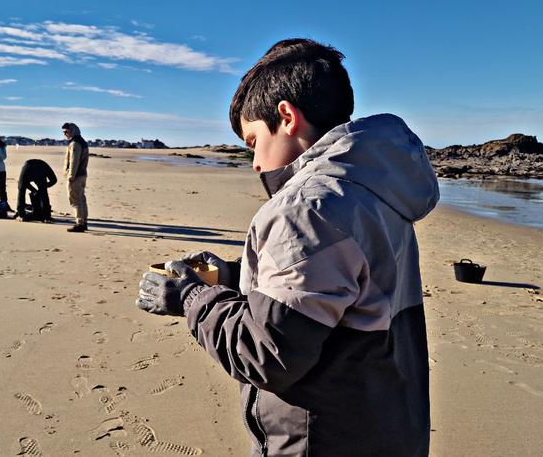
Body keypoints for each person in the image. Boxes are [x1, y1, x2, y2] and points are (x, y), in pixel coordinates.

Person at [137, 38, 439, 456]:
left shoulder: (306, 208)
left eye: (252, 141)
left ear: (286, 117)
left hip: (326, 437)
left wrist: (192, 298)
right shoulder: (374, 189)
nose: (256, 163)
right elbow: (337, 284)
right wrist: (233, 275)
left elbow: (268, 354)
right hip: (388, 426)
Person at [62, 122, 89, 232]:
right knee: (81, 199)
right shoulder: (82, 142)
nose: (65, 134)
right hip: (82, 175)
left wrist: (71, 175)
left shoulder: (75, 143)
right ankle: (84, 222)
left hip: (76, 176)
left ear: (72, 130)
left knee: (75, 200)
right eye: (63, 132)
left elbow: (74, 161)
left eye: (66, 131)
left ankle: (80, 223)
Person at [15, 158, 57, 223]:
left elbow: (23, 186)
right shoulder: (45, 166)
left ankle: (21, 215)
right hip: (39, 168)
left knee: (21, 190)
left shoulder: (43, 166)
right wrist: (40, 189)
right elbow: (54, 180)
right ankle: (46, 216)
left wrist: (37, 191)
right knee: (43, 192)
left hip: (28, 167)